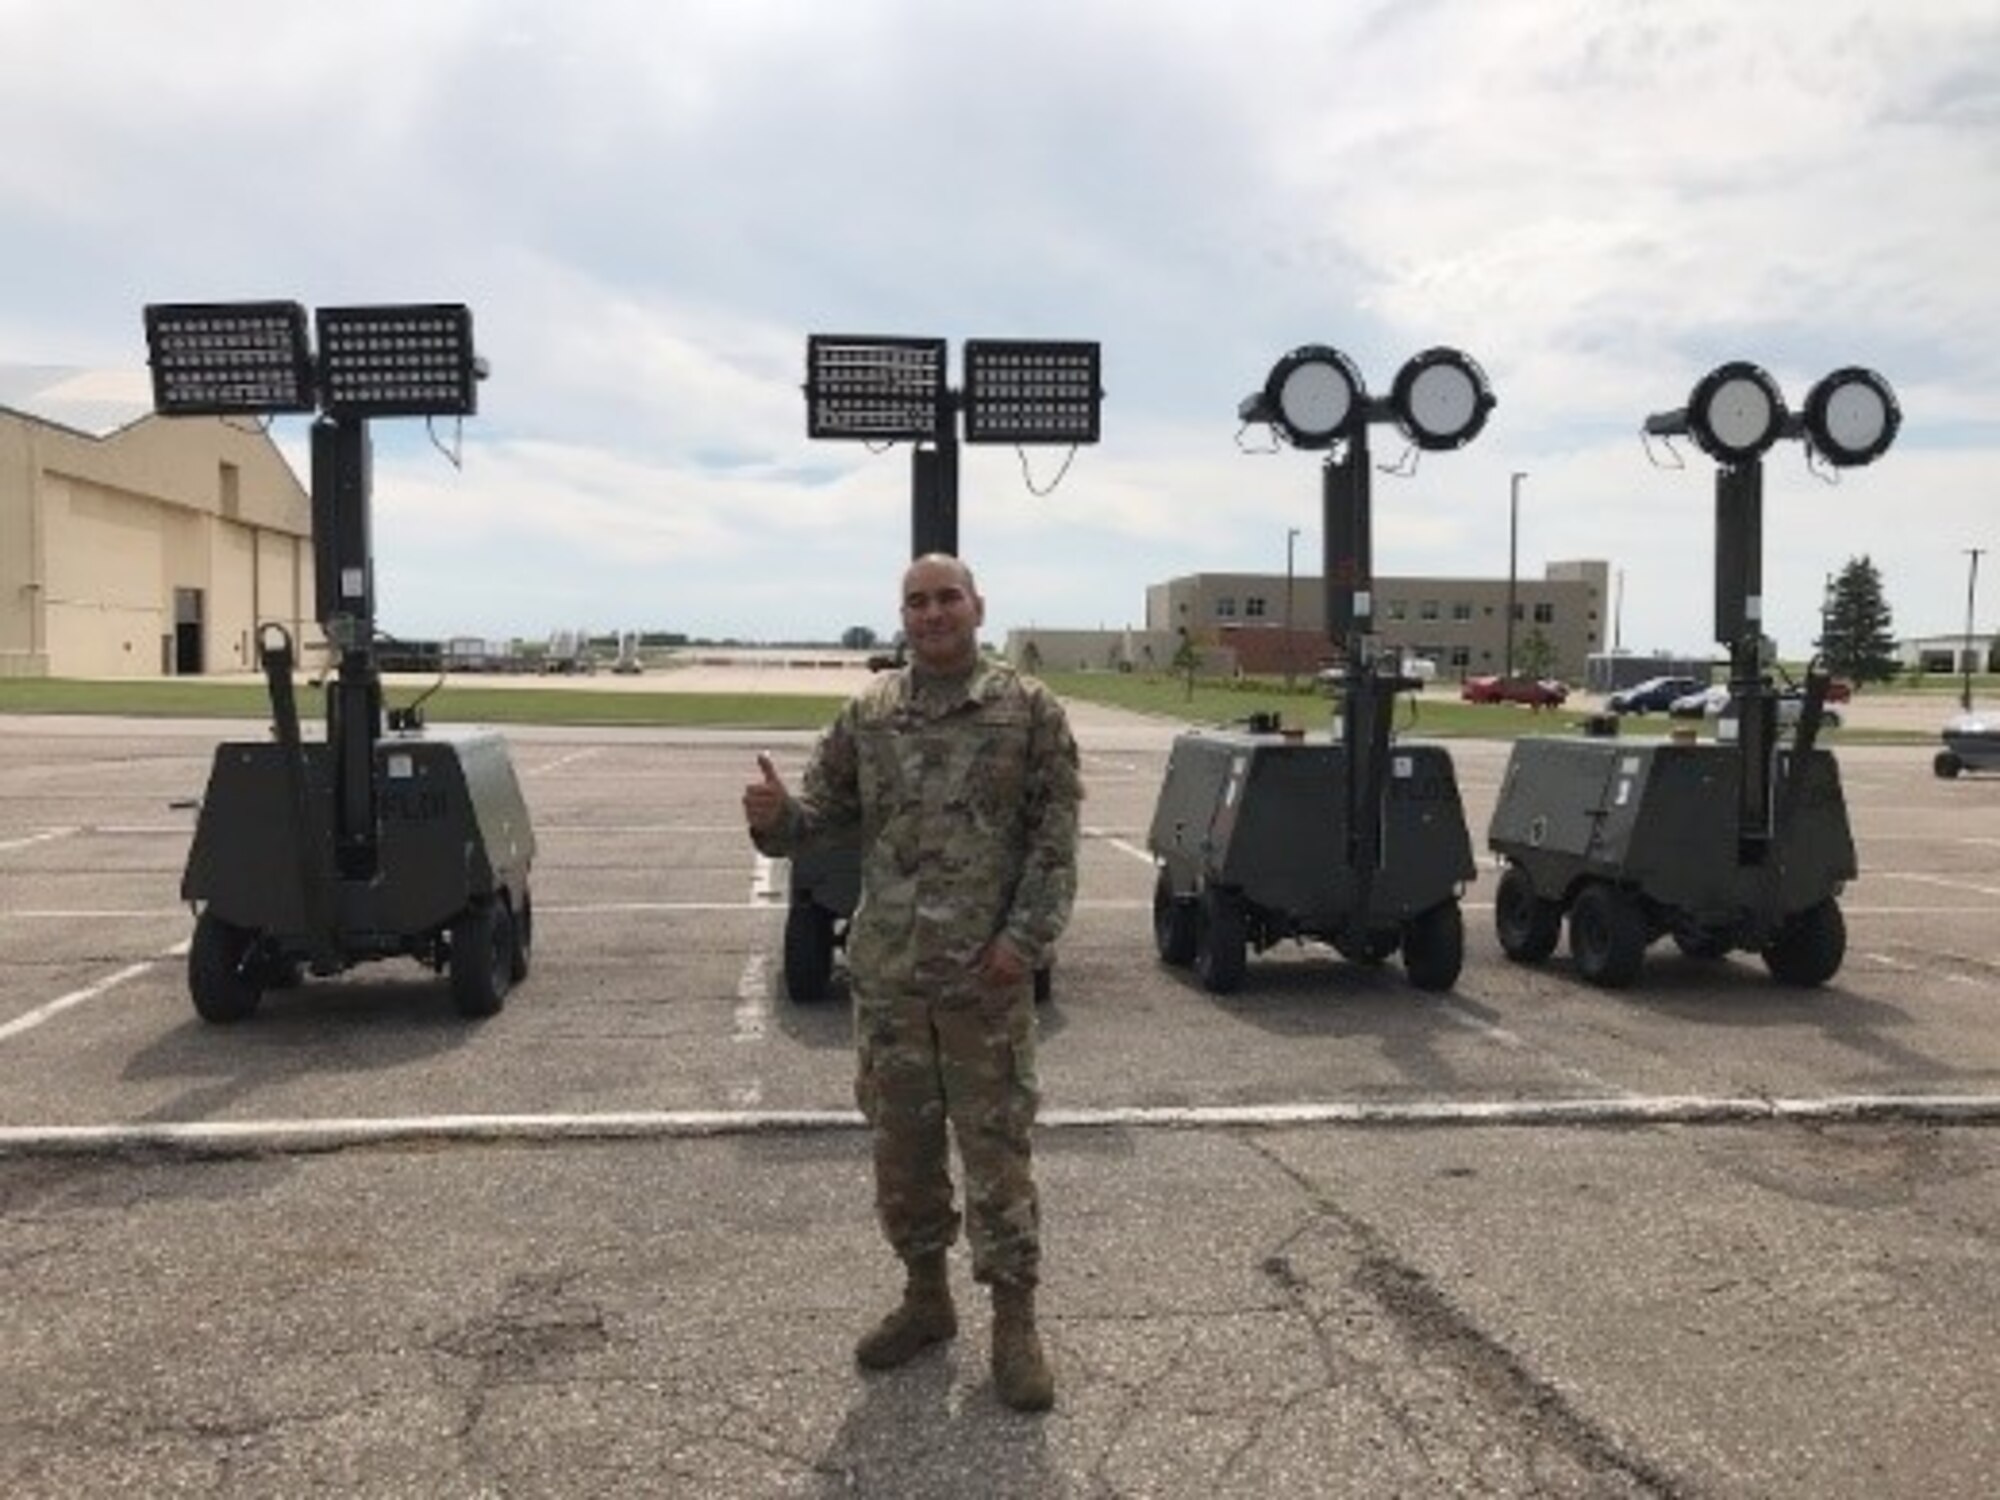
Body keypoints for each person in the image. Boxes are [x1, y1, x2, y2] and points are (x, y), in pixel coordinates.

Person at [742, 553, 1081, 1411]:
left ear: (977, 606)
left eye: (946, 598)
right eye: (916, 602)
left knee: (998, 1154)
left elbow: (1054, 839)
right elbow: (820, 825)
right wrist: (778, 822)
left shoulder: (1028, 710)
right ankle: (926, 1299)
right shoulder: (869, 714)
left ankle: (1014, 1322)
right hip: (891, 981)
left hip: (984, 978)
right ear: (903, 614)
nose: (931, 614)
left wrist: (1023, 943)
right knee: (904, 1153)